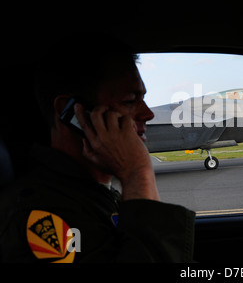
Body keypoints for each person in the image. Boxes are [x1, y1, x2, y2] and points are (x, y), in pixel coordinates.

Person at [0, 33, 195, 262]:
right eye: (130, 101)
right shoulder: (41, 215)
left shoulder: (92, 194)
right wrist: (138, 173)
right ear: (72, 112)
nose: (148, 114)